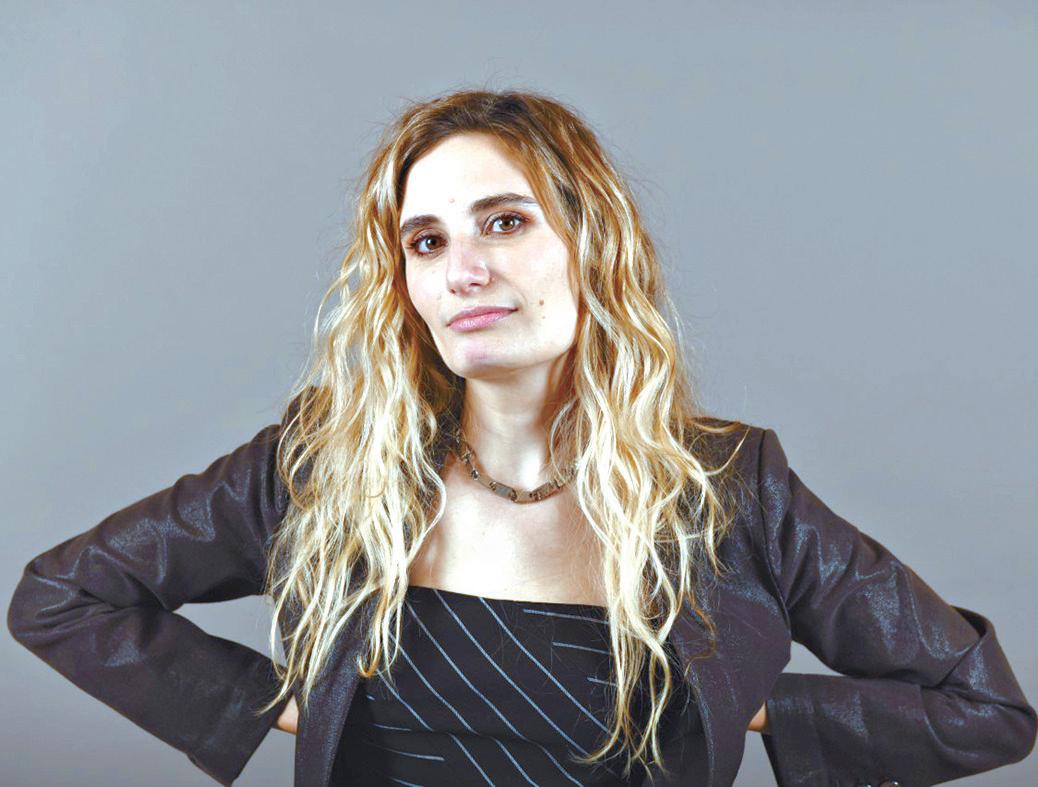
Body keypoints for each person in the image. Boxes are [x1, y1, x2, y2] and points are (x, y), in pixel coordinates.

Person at [7, 88, 1035, 787]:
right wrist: (269, 705)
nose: (464, 270)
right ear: (405, 287)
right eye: (427, 241)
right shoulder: (322, 464)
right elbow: (61, 596)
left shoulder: (731, 488)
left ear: (592, 241)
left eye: (505, 222)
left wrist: (758, 707)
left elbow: (984, 706)